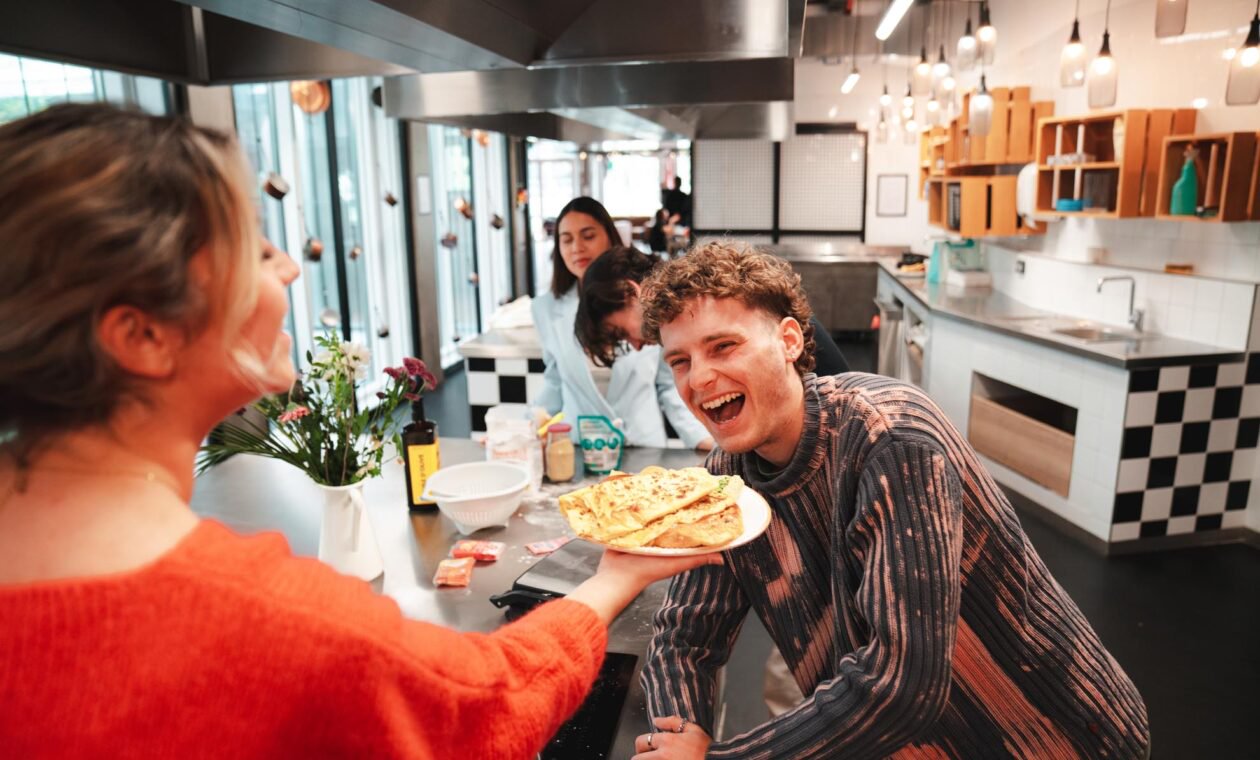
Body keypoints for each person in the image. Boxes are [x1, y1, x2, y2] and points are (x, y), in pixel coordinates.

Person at [0, 103, 718, 759]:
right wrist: (613, 577)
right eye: (253, 249)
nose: (288, 266)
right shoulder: (265, 619)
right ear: (141, 336)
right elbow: (488, 704)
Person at [632, 241, 1150, 759]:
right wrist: (679, 733)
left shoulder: (890, 438)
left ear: (788, 340)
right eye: (680, 361)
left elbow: (902, 685)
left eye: (723, 346)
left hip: (1059, 736)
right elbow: (685, 635)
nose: (699, 378)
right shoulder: (728, 477)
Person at [531, 196, 711, 450]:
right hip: (583, 447)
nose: (577, 248)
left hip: (642, 445)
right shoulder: (545, 309)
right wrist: (524, 429)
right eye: (566, 239)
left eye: (588, 236)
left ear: (610, 236)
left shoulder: (647, 297)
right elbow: (554, 382)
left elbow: (668, 383)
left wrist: (701, 438)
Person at [576, 244, 849, 377]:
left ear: (630, 292)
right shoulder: (686, 320)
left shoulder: (711, 304)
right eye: (680, 362)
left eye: (621, 332)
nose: (635, 346)